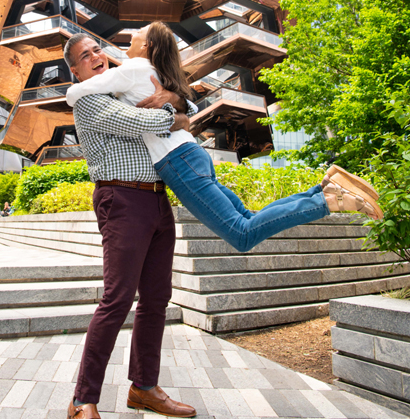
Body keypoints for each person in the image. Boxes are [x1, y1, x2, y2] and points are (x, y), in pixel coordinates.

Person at [66, 23, 381, 254]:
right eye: (87, 55)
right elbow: (186, 107)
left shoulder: (131, 68)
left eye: (139, 31)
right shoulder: (147, 70)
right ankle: (324, 187)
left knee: (241, 234)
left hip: (178, 164)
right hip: (192, 155)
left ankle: (329, 201)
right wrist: (176, 109)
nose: (131, 33)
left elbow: (80, 91)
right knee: (247, 217)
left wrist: (72, 91)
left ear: (146, 46)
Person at [62, 32, 197, 419]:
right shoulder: (88, 100)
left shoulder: (120, 89)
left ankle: (144, 388)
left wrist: (175, 103)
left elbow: (183, 103)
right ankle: (82, 400)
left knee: (157, 298)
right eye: (85, 57)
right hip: (121, 199)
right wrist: (173, 109)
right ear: (76, 71)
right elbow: (148, 121)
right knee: (117, 299)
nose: (95, 57)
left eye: (96, 49)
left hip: (157, 199)